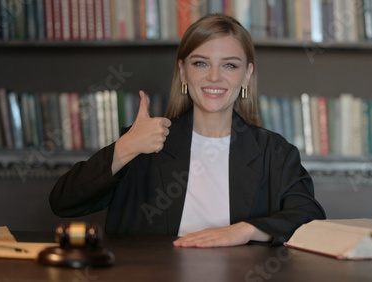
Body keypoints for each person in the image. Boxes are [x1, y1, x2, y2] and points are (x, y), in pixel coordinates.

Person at [50, 14, 325, 247]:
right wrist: (126, 146)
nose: (214, 77)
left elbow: (310, 217)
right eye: (200, 63)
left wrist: (247, 230)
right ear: (183, 72)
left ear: (247, 75)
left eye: (229, 65)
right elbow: (63, 202)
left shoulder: (274, 152)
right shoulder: (146, 143)